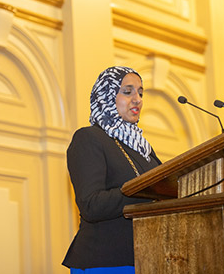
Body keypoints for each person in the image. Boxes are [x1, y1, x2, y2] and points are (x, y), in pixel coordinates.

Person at [62, 66, 162, 273]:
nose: (138, 99)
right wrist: (144, 192)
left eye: (140, 93)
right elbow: (91, 204)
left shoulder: (143, 149)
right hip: (105, 261)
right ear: (106, 96)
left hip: (149, 258)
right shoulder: (89, 138)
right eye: (128, 92)